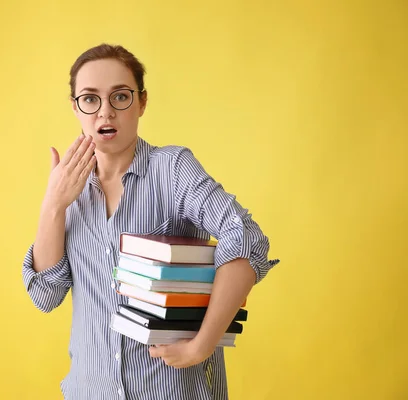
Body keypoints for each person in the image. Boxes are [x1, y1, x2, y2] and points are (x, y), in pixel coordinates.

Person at [21, 43, 280, 400]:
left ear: (142, 102)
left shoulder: (172, 170)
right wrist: (53, 204)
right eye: (90, 99)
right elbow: (45, 295)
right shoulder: (69, 189)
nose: (105, 112)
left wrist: (201, 346)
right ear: (75, 107)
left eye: (120, 97)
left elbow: (246, 238)